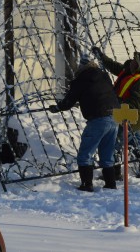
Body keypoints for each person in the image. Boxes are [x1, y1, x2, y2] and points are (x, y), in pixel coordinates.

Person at [49, 54, 120, 192]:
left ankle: (87, 184)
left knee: (85, 154)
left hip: (98, 118)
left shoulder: (80, 80)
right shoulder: (104, 76)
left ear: (81, 66)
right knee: (107, 153)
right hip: (114, 117)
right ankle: (111, 184)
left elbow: (69, 101)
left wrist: (57, 107)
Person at [91, 46, 140, 177]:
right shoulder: (127, 71)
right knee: (136, 142)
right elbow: (112, 65)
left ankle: (114, 174)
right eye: (133, 59)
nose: (132, 61)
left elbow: (136, 102)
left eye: (135, 61)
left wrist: (117, 102)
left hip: (131, 117)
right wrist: (101, 56)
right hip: (125, 115)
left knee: (114, 142)